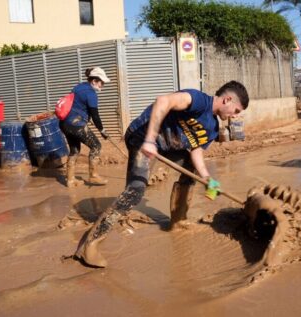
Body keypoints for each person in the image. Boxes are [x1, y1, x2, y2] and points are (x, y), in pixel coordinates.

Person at [75, 80, 250, 267]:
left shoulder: (212, 129)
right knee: (135, 191)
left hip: (167, 147)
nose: (234, 116)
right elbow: (163, 101)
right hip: (143, 137)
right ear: (227, 99)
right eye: (236, 111)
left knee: (192, 171)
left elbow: (196, 149)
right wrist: (150, 140)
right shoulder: (199, 100)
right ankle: (89, 244)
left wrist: (206, 177)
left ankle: (178, 221)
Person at [60, 67, 111, 187]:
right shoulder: (91, 94)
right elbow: (95, 115)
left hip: (64, 123)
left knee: (75, 150)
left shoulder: (79, 87)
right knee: (96, 146)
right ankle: (93, 176)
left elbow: (77, 103)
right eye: (101, 83)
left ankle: (70, 180)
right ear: (94, 81)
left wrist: (84, 114)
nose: (102, 86)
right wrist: (102, 130)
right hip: (76, 124)